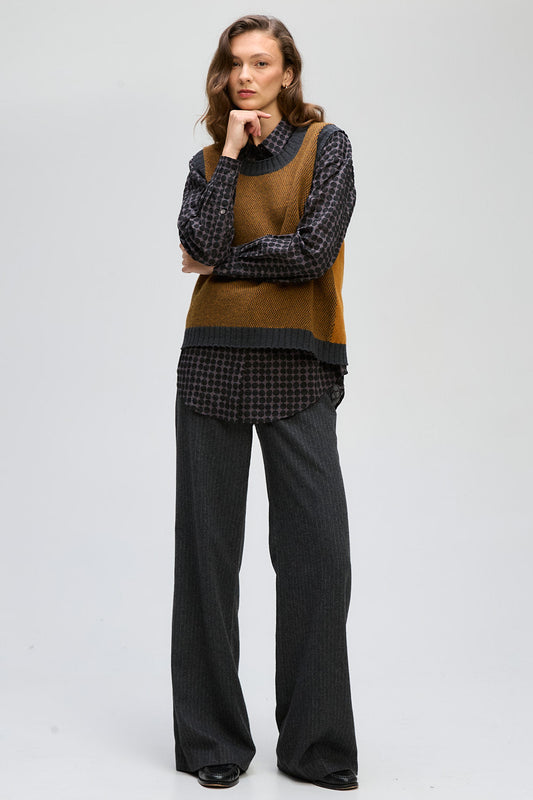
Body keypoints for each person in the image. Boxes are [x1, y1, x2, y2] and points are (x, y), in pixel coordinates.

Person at [171, 14, 358, 791]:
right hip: (211, 362)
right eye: (234, 63)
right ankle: (212, 743)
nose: (244, 75)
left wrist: (222, 264)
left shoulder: (326, 146)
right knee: (207, 558)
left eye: (260, 62)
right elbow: (199, 240)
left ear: (287, 72)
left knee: (318, 557)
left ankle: (315, 748)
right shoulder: (207, 162)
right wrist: (229, 159)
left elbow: (313, 250)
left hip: (298, 363)